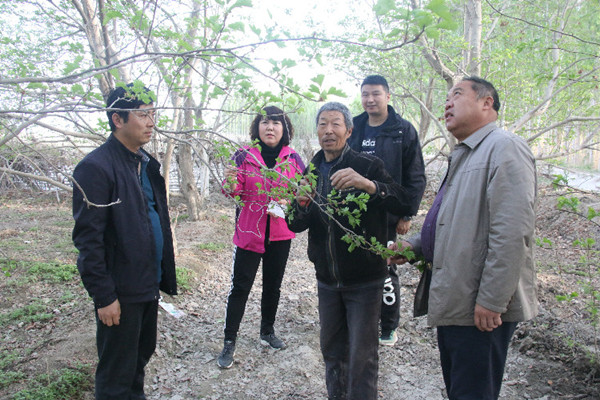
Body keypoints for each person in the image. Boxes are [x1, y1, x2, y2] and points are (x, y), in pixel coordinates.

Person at [390, 76, 538, 400]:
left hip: (479, 309)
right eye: (446, 97)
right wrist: (414, 245)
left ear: (488, 103)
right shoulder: (466, 155)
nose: (447, 103)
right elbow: (450, 224)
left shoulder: (504, 147)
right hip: (458, 299)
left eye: (457, 94)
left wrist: (492, 299)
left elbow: (512, 232)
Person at [287, 102, 412, 400]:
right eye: (323, 124)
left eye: (336, 124)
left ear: (349, 130)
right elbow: (294, 224)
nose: (328, 130)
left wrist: (369, 185)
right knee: (332, 353)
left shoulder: (368, 166)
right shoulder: (312, 170)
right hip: (327, 281)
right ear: (316, 130)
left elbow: (404, 202)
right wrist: (302, 203)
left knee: (363, 356)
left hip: (365, 281)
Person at [72, 83, 177, 399]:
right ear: (118, 119)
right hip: (120, 291)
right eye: (143, 114)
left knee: (138, 362)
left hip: (146, 284)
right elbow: (88, 241)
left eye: (153, 113)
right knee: (116, 374)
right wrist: (104, 296)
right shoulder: (95, 168)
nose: (150, 122)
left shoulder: (145, 162)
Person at [217, 106, 305, 369]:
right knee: (240, 286)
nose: (270, 128)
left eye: (277, 123)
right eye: (265, 122)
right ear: (256, 127)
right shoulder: (243, 156)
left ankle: (267, 332)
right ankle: (229, 340)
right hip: (249, 232)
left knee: (273, 285)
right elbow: (231, 190)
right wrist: (231, 183)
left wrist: (291, 199)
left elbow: (303, 194)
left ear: (285, 129)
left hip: (280, 233)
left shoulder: (294, 159)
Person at [349, 75, 426, 346]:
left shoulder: (402, 130)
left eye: (376, 94)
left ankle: (388, 325)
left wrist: (407, 214)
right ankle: (357, 319)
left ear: (388, 96)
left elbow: (415, 177)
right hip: (353, 214)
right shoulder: (354, 126)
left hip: (389, 213)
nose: (370, 99)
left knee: (386, 267)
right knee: (354, 265)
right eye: (365, 94)